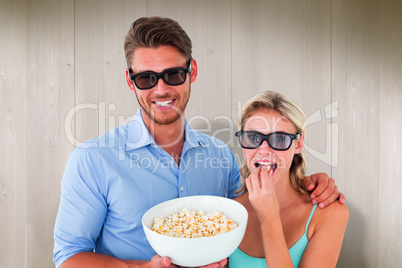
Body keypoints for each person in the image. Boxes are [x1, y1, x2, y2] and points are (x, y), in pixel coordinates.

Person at [53, 17, 344, 268]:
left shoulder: (221, 156)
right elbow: (68, 257)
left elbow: (243, 222)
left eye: (173, 74)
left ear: (192, 71)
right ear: (130, 81)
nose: (161, 89)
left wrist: (308, 182)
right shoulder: (93, 159)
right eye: (146, 79)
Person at [228, 91, 349, 267]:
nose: (264, 150)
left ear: (298, 144)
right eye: (253, 137)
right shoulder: (226, 214)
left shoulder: (329, 211)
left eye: (279, 139)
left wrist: (269, 219)